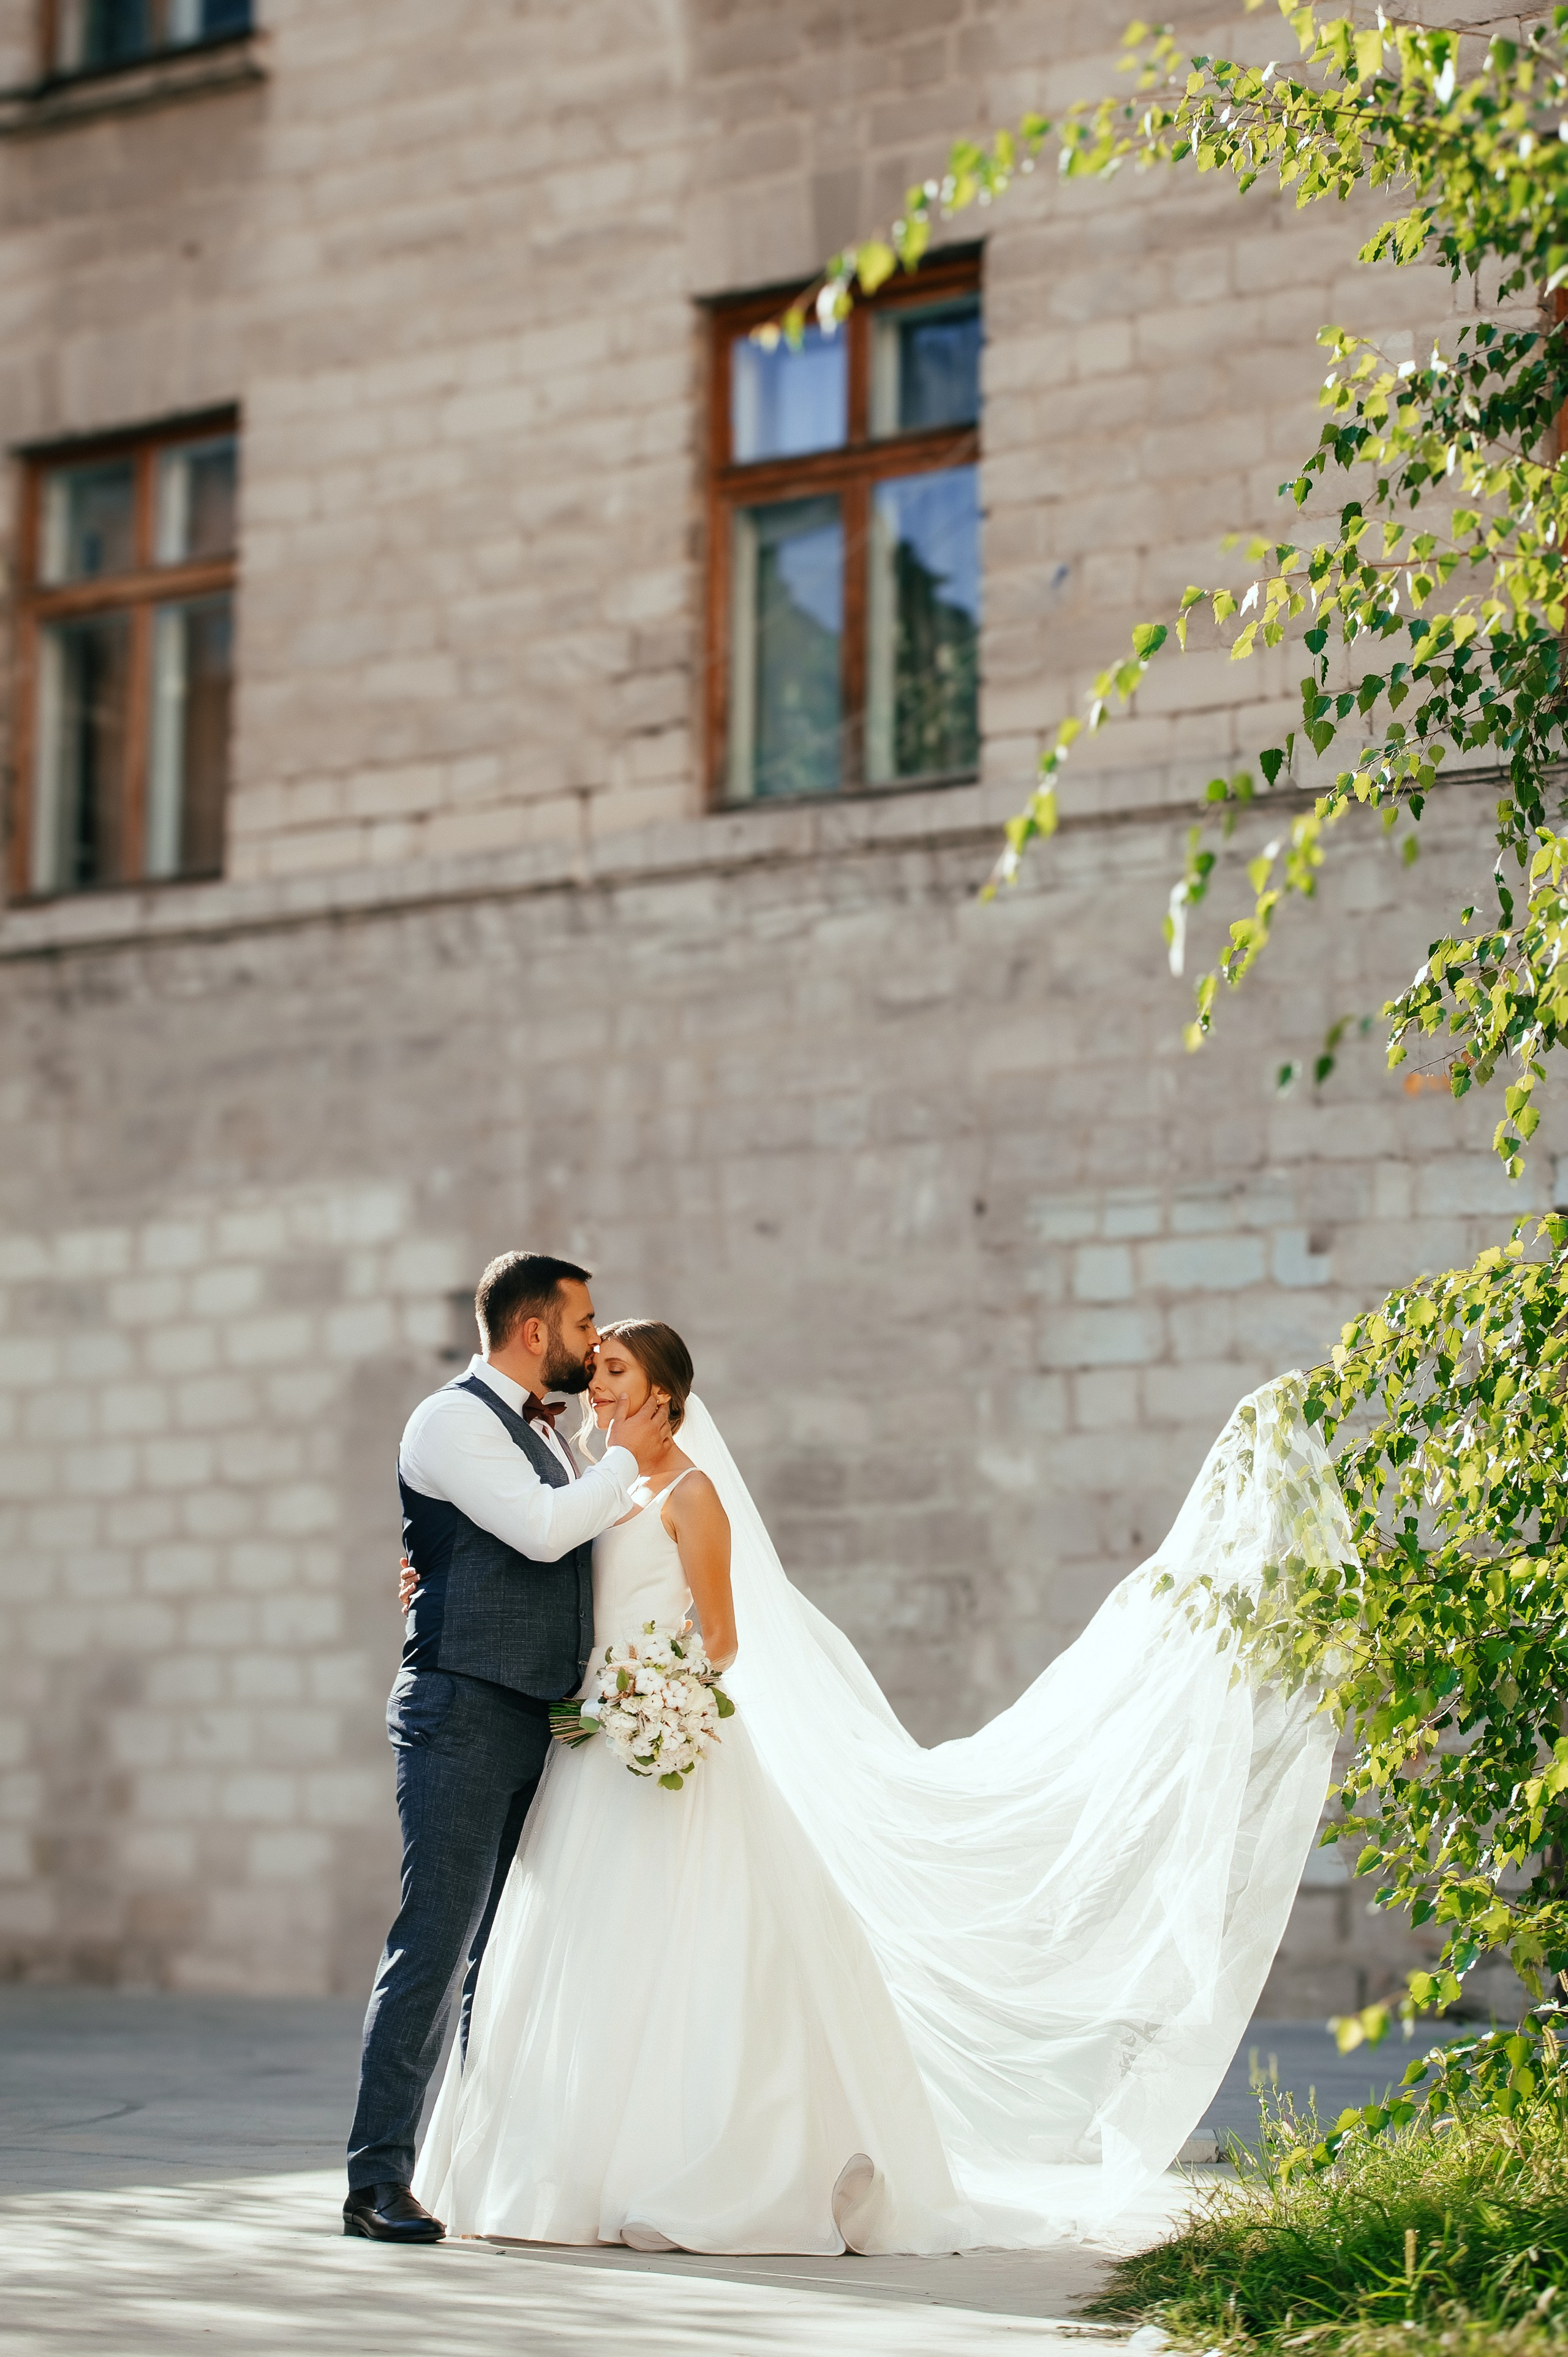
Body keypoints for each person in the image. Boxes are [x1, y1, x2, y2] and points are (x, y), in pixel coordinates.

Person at [407, 1321, 1352, 2255]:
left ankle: (711, 2171)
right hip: (587, 1759)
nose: (596, 1384)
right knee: (581, 1959)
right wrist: (432, 1582)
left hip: (659, 1745)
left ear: (663, 1393)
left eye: (614, 1370)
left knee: (691, 1953)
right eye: (596, 1366)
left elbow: (724, 1639)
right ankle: (561, 2177)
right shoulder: (596, 1489)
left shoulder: (692, 1496)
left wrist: (644, 1705)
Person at [343, 1252, 671, 2243]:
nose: (592, 1340)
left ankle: (477, 2170)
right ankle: (376, 2180)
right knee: (437, 1943)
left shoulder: (557, 1435)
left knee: (508, 1956)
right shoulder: (449, 1420)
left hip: (544, 1718)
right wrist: (627, 1454)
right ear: (535, 1330)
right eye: (583, 1324)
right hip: (463, 1713)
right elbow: (537, 1533)